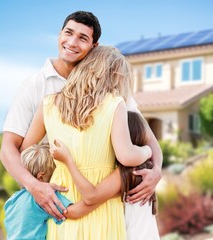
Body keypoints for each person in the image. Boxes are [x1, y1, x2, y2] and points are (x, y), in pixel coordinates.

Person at [0, 10, 162, 220]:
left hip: (106, 196)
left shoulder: (110, 87)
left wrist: (156, 171)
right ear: (59, 35)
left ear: (94, 47)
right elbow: (9, 149)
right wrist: (36, 187)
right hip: (62, 196)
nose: (72, 42)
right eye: (68, 33)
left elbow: (148, 137)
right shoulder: (36, 87)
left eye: (82, 38)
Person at [20, 45, 152, 239]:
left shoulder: (48, 103)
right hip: (102, 199)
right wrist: (147, 151)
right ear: (115, 76)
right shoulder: (114, 103)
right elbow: (126, 155)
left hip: (61, 199)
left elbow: (26, 151)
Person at [51, 111, 160, 240]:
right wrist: (148, 151)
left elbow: (88, 199)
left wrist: (68, 160)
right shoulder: (146, 170)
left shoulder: (129, 173)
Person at [4, 143, 109, 240]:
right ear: (41, 177)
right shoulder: (42, 198)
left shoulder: (13, 199)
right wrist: (109, 194)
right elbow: (75, 212)